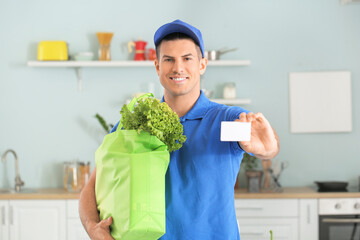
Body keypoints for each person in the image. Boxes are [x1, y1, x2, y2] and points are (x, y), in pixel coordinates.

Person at [79, 19, 279, 240]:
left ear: (202, 64)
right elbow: (93, 184)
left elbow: (266, 149)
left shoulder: (227, 120)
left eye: (187, 58)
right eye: (168, 59)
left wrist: (267, 147)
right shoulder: (136, 123)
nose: (178, 68)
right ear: (157, 66)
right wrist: (92, 227)